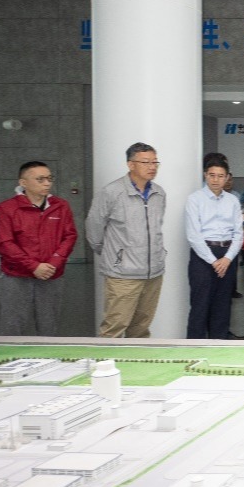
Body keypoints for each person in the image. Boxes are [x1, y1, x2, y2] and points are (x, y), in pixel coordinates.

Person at [87, 142, 167, 339]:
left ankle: (138, 359)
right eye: (146, 162)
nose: (152, 167)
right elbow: (94, 228)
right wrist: (115, 256)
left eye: (155, 162)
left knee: (141, 329)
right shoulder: (112, 192)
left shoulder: (159, 193)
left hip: (153, 273)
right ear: (130, 165)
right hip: (123, 275)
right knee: (114, 328)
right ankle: (107, 359)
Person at [0, 161, 78, 337]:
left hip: (51, 275)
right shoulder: (7, 208)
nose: (47, 183)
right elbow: (5, 243)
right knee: (13, 325)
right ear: (23, 183)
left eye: (49, 178)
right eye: (40, 179)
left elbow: (69, 236)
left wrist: (54, 263)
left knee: (49, 326)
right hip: (17, 277)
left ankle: (47, 354)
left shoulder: (61, 206)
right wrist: (33, 266)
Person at [183, 154, 244, 340]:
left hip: (227, 255)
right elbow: (194, 235)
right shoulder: (195, 199)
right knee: (200, 304)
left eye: (220, 176)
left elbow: (239, 233)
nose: (216, 180)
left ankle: (219, 343)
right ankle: (194, 346)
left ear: (227, 178)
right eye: (212, 175)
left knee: (223, 304)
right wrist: (213, 261)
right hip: (203, 256)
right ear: (205, 175)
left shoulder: (233, 201)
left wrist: (227, 258)